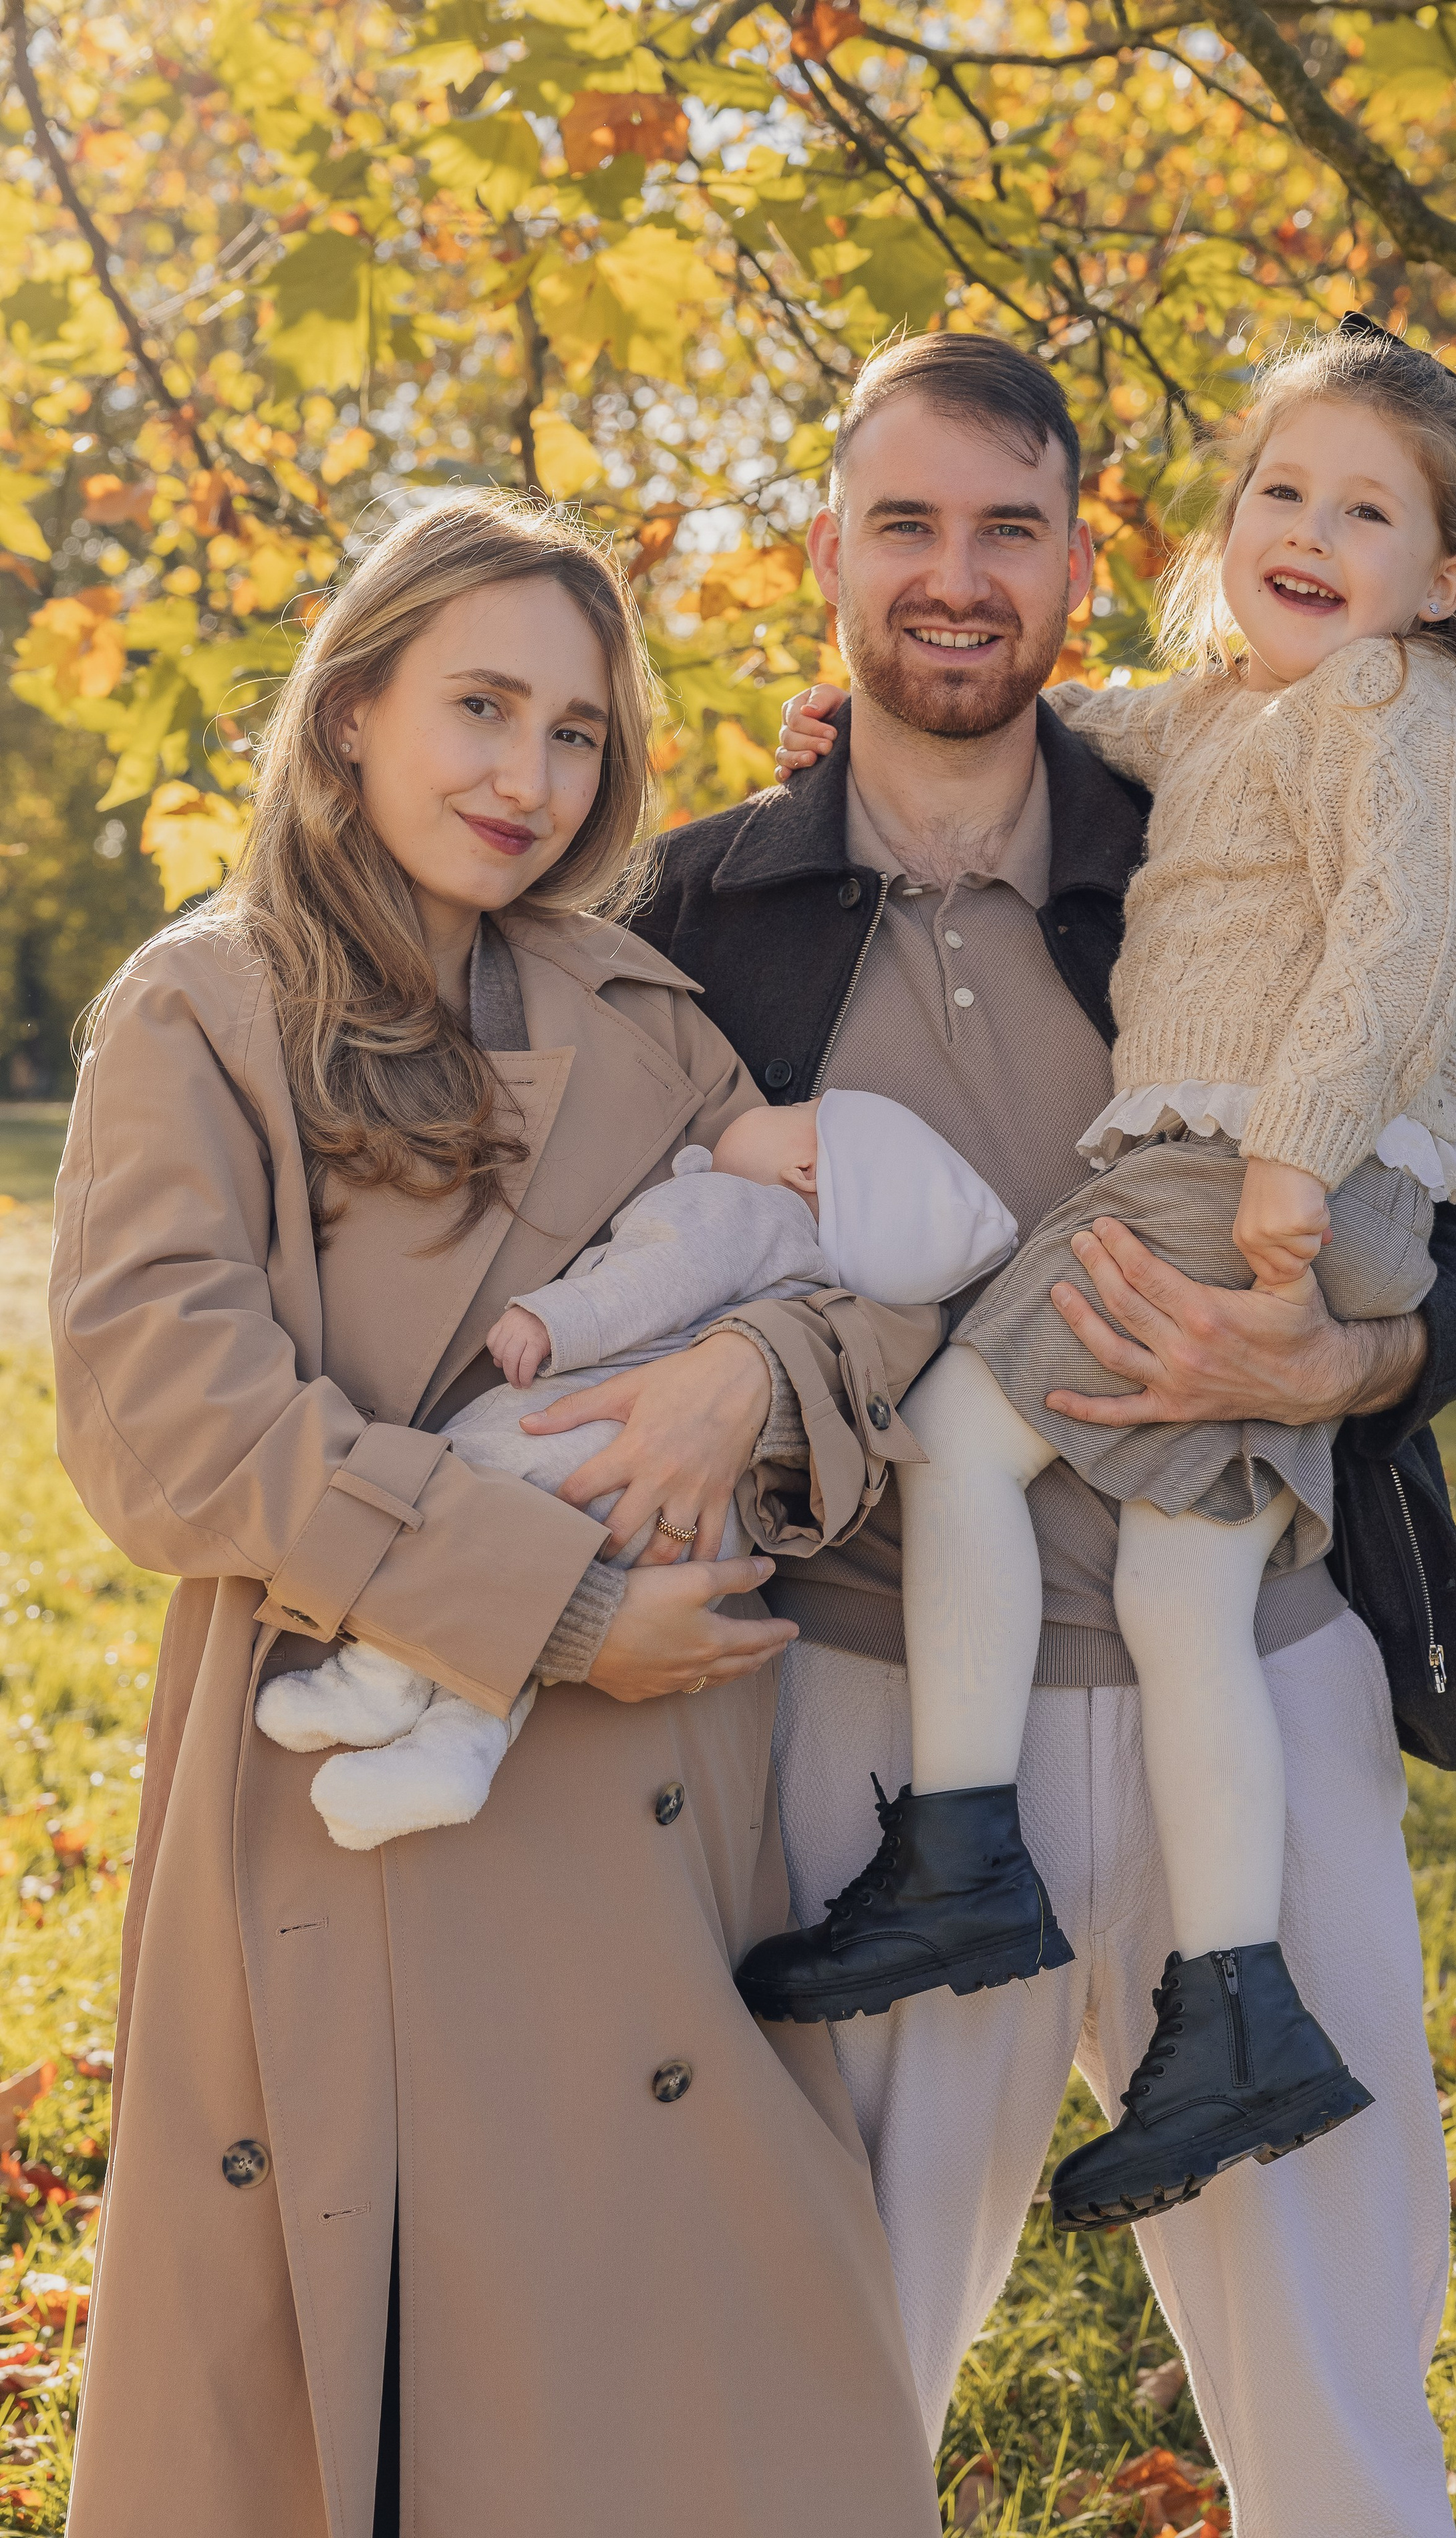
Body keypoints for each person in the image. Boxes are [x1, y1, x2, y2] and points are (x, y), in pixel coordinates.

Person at [633, 330, 1456, 2536]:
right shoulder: (704, 903)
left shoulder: (1239, 798)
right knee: (823, 2379)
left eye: (1011, 528)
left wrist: (1348, 1365)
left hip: (1251, 1663)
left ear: (1083, 561)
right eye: (906, 524)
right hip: (870, 1701)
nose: (956, 576)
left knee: (1334, 2376)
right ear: (829, 553)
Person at [50, 492, 943, 2538]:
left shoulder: (641, 1009)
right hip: (355, 1803)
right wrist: (553, 1609)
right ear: (350, 708)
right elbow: (165, 1417)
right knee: (398, 2410)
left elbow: (859, 1280)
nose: (525, 773)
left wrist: (751, 1375)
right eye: (477, 704)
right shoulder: (209, 1008)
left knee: (726, 2403)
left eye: (573, 729)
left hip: (660, 1836)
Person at [255, 1088, 1017, 1852]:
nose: (774, 1103)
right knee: (518, 1627)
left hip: (587, 1447)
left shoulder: (742, 1207)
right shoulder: (813, 1282)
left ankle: (376, 1683)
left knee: (468, 1500)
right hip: (685, 1521)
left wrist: (555, 1320)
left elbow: (659, 1276)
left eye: (800, 1108)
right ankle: (456, 1751)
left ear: (806, 1168)